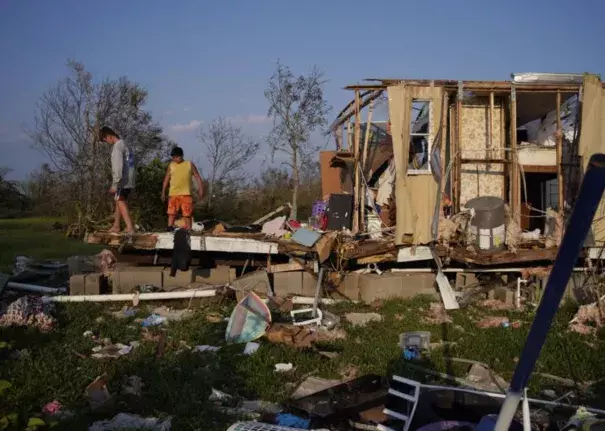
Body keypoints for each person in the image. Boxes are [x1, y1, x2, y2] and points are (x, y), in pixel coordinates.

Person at [100, 126, 136, 235]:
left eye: (105, 140)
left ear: (109, 136)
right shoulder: (124, 143)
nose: (106, 142)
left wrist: (115, 184)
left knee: (120, 200)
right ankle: (116, 226)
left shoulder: (117, 147)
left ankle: (130, 228)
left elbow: (118, 167)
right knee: (118, 201)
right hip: (130, 177)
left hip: (122, 179)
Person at [161, 146, 204, 230]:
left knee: (187, 213)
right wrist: (163, 192)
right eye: (173, 157)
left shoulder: (189, 164)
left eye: (177, 157)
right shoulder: (171, 165)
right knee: (171, 212)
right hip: (173, 193)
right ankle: (170, 227)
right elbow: (166, 179)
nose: (175, 159)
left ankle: (188, 230)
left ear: (182, 156)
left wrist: (201, 189)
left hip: (186, 193)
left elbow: (197, 177)